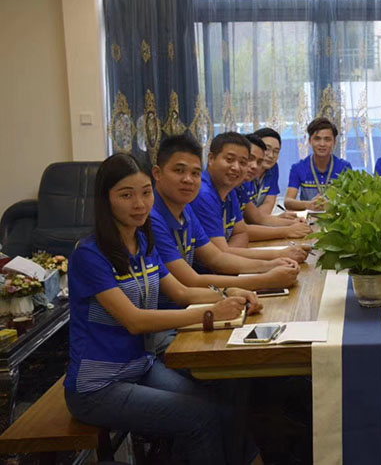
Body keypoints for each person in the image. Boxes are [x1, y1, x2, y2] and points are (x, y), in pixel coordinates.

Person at [65, 153, 263, 465]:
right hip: (98, 386)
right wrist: (211, 312)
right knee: (199, 417)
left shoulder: (144, 243)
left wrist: (229, 293)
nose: (139, 204)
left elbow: (181, 291)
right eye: (126, 195)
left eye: (145, 193)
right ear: (105, 200)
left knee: (224, 401)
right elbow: (134, 321)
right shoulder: (90, 255)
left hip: (139, 367)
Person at [190, 132, 309, 264]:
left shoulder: (231, 188)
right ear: (211, 159)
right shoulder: (204, 193)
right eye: (229, 160)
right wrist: (279, 252)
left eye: (243, 162)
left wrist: (229, 255)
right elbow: (219, 256)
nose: (237, 167)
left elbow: (241, 233)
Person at [235, 134, 312, 238]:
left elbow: (258, 218)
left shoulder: (239, 186)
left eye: (276, 151)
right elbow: (240, 231)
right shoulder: (232, 185)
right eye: (250, 159)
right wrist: (286, 230)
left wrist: (292, 223)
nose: (254, 166)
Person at [285, 117, 352, 211]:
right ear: (310, 141)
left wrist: (332, 205)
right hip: (307, 218)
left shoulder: (344, 167)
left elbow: (351, 200)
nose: (322, 144)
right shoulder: (298, 168)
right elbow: (288, 202)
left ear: (334, 142)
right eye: (317, 139)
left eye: (327, 139)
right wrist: (308, 204)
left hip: (335, 218)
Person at [251, 127, 284, 216]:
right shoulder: (245, 172)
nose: (271, 155)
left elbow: (269, 202)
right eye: (267, 149)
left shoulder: (273, 168)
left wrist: (263, 220)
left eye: (276, 151)